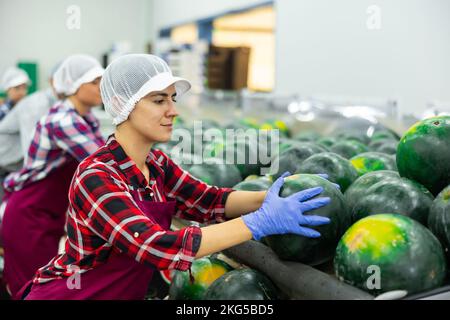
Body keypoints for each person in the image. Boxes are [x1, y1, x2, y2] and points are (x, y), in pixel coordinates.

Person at [23, 54, 331, 300]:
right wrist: (258, 222)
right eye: (159, 100)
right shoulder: (96, 176)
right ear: (122, 106)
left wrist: (272, 197)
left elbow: (209, 200)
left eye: (173, 98)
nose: (173, 110)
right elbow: (156, 246)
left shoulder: (156, 163)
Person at [0, 54, 105, 299]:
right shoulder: (63, 120)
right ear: (75, 86)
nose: (102, 87)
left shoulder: (86, 118)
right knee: (34, 291)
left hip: (47, 217)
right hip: (28, 217)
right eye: (95, 81)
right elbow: (105, 162)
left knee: (44, 286)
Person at [0, 63, 62, 202]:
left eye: (24, 87)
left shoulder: (30, 104)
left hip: (12, 164)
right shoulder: (8, 108)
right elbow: (30, 145)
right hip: (5, 163)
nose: (22, 92)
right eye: (17, 88)